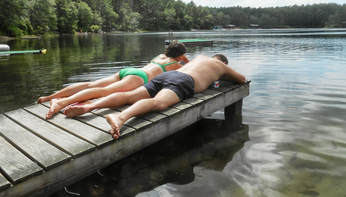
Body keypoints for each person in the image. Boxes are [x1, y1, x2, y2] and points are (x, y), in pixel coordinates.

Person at [63, 54, 246, 139]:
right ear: (222, 61)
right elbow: (241, 79)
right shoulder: (220, 65)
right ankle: (120, 117)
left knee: (130, 95)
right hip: (183, 82)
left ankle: (89, 107)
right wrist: (223, 73)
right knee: (158, 103)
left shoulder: (199, 57)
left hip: (167, 76)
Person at [42, 41, 190, 118]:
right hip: (140, 78)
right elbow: (190, 68)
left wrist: (180, 55)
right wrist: (184, 59)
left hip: (130, 71)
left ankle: (51, 97)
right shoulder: (176, 65)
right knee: (103, 91)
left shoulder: (160, 56)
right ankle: (62, 102)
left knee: (91, 84)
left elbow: (174, 56)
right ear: (180, 55)